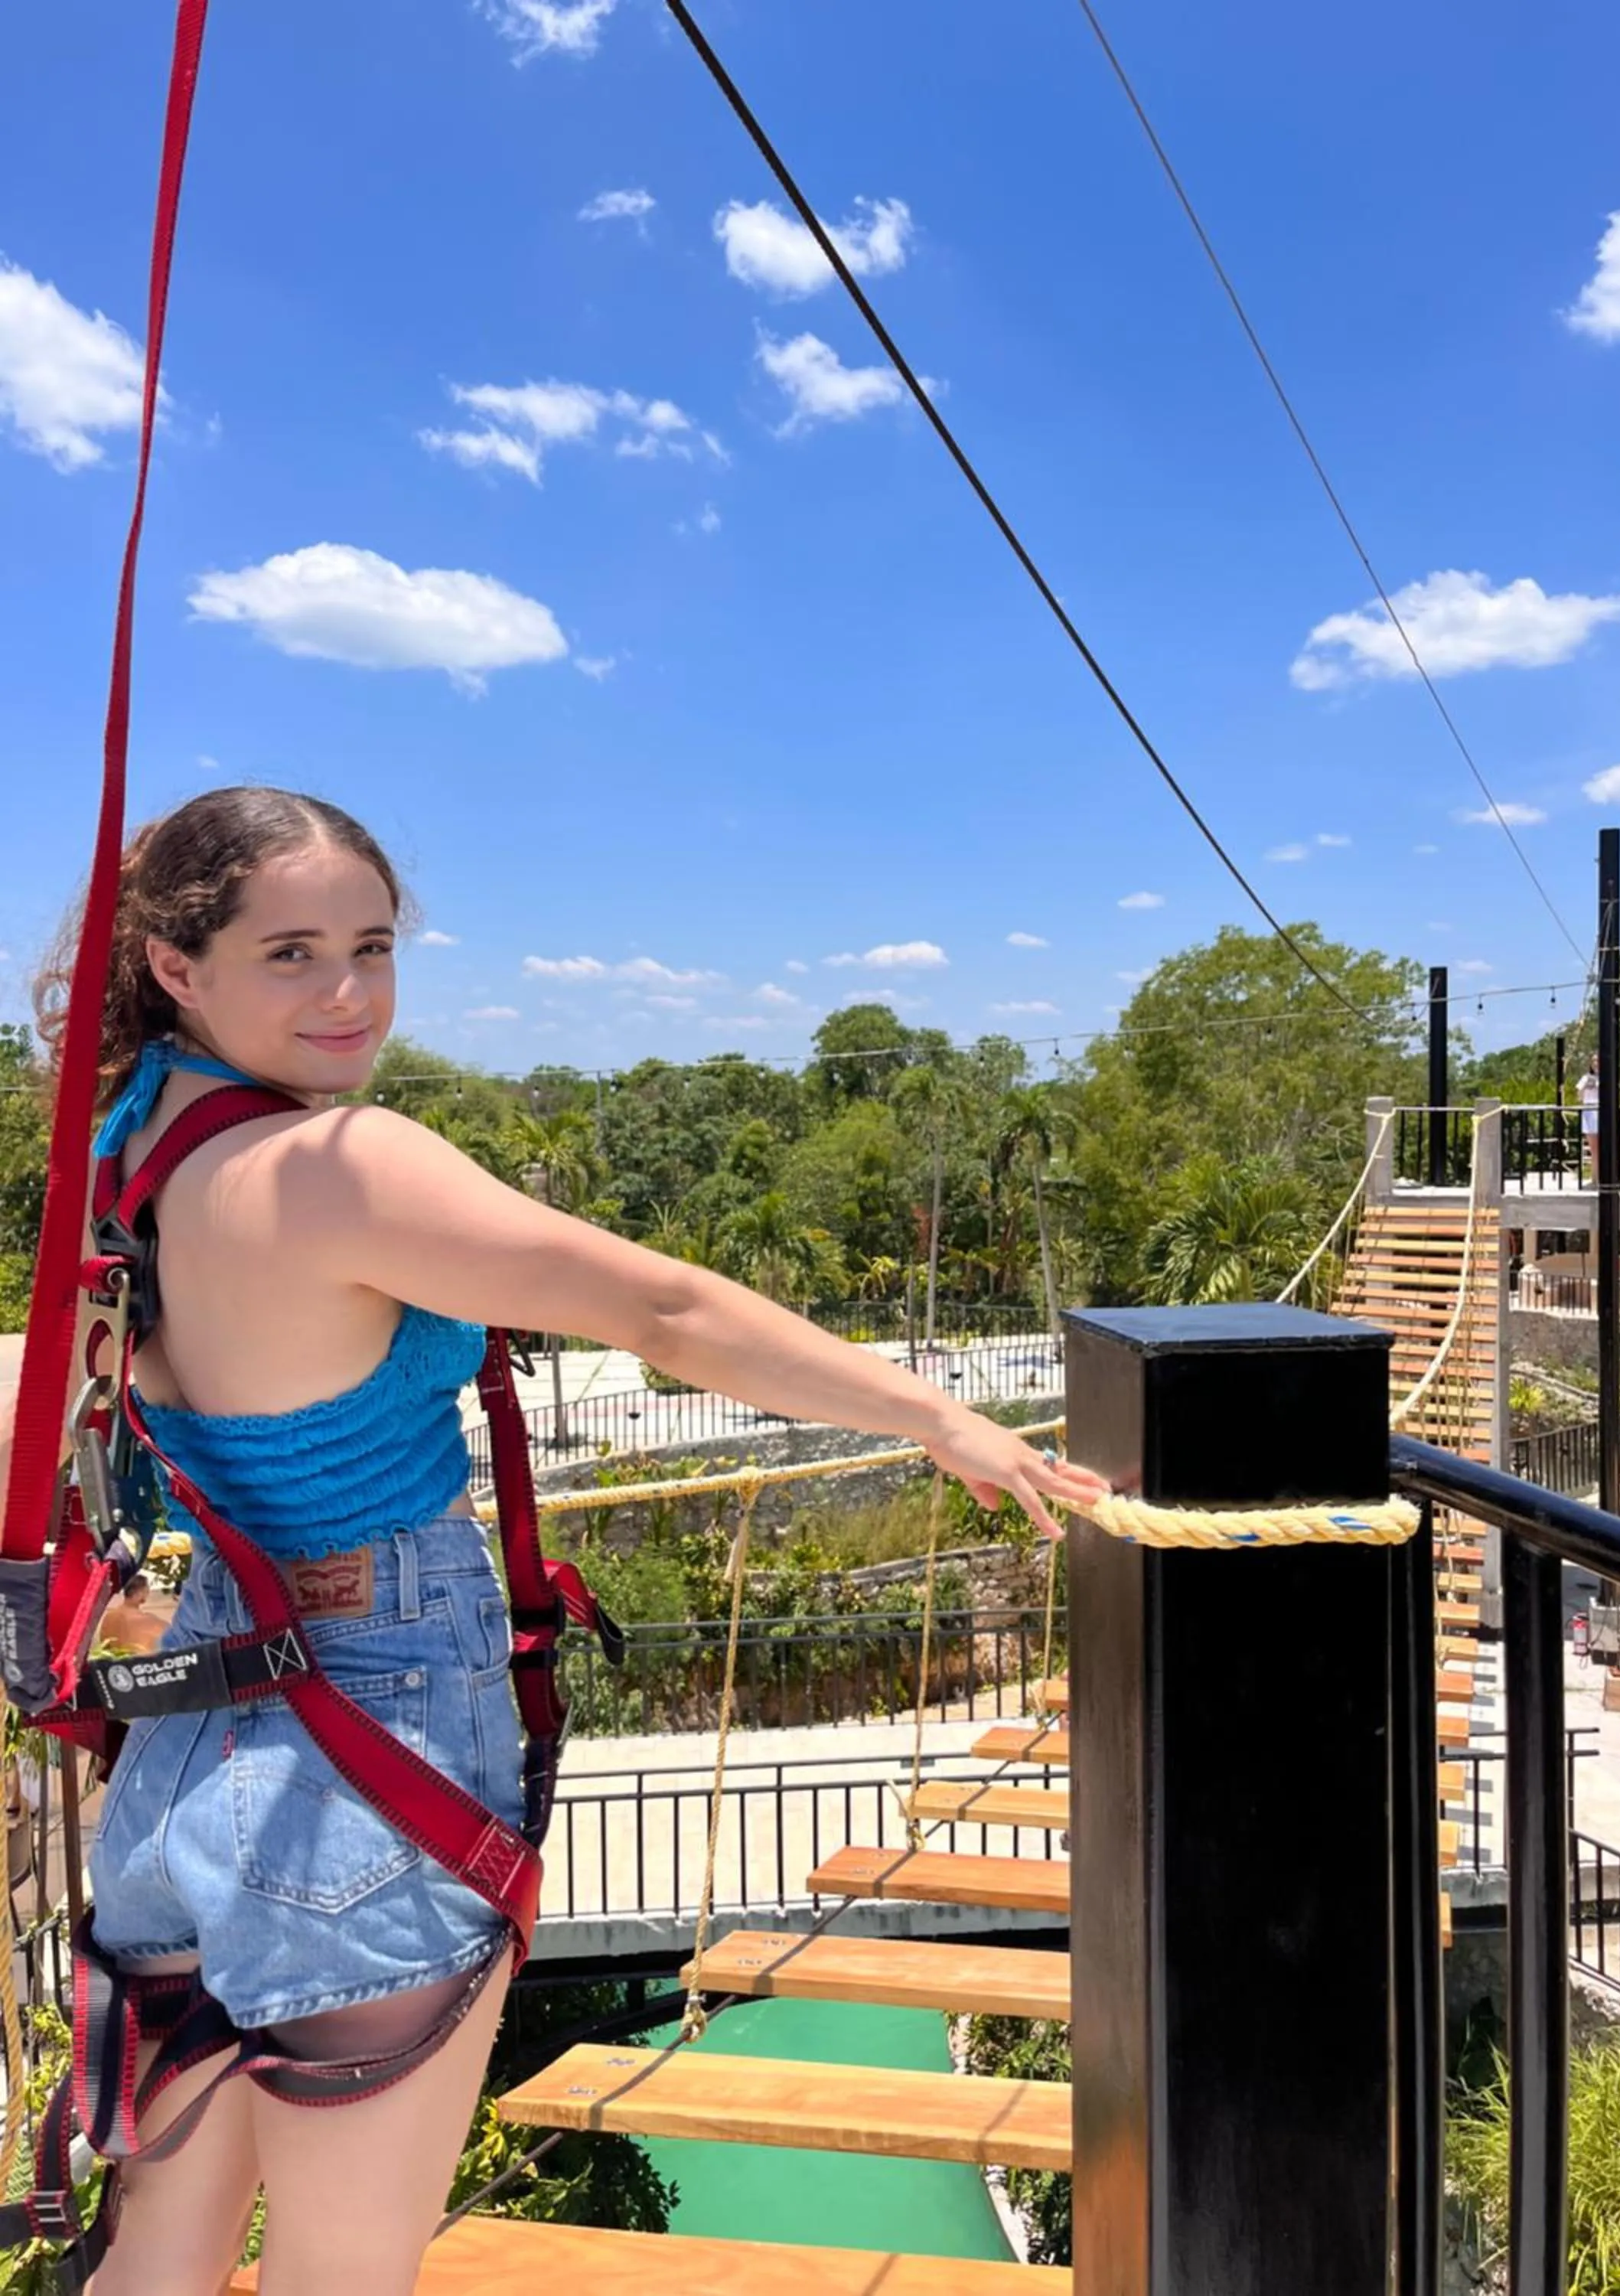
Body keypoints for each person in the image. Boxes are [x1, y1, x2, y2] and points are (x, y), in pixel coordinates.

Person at [0, 785, 1109, 2296]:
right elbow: (659, 1308)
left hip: (199, 1749)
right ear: (179, 965)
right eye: (293, 954)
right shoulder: (341, 1169)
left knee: (157, 2262)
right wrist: (933, 1417)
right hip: (364, 1744)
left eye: (374, 946)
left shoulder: (135, 1146)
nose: (349, 994)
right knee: (347, 2268)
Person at [1577, 1052, 1601, 1182]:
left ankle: (1603, 1177)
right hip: (1590, 1111)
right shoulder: (1586, 1078)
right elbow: (1579, 1097)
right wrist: (1585, 1088)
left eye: (1598, 1060)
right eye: (1594, 1061)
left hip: (1602, 1109)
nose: (1596, 1063)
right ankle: (1594, 1178)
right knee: (1594, 1148)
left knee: (1605, 1147)